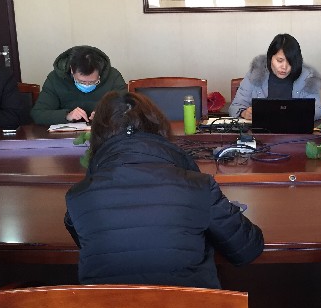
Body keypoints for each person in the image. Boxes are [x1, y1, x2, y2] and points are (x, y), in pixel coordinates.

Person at [64, 91, 264, 288]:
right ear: (160, 128)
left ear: (97, 136)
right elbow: (247, 249)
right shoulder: (198, 186)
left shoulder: (79, 197)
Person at [228, 33, 321, 121]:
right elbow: (235, 107)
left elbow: (318, 110)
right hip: (260, 132)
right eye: (279, 60)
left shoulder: (307, 78)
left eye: (290, 62)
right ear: (270, 58)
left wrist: (296, 113)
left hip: (294, 132)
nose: (284, 67)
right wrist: (244, 113)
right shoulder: (256, 73)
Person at [31, 45, 127, 125]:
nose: (87, 85)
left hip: (104, 135)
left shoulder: (113, 76)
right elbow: (38, 114)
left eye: (93, 82)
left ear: (100, 72)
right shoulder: (55, 78)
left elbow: (128, 110)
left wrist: (106, 115)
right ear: (72, 71)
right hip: (64, 137)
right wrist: (66, 116)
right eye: (81, 81)